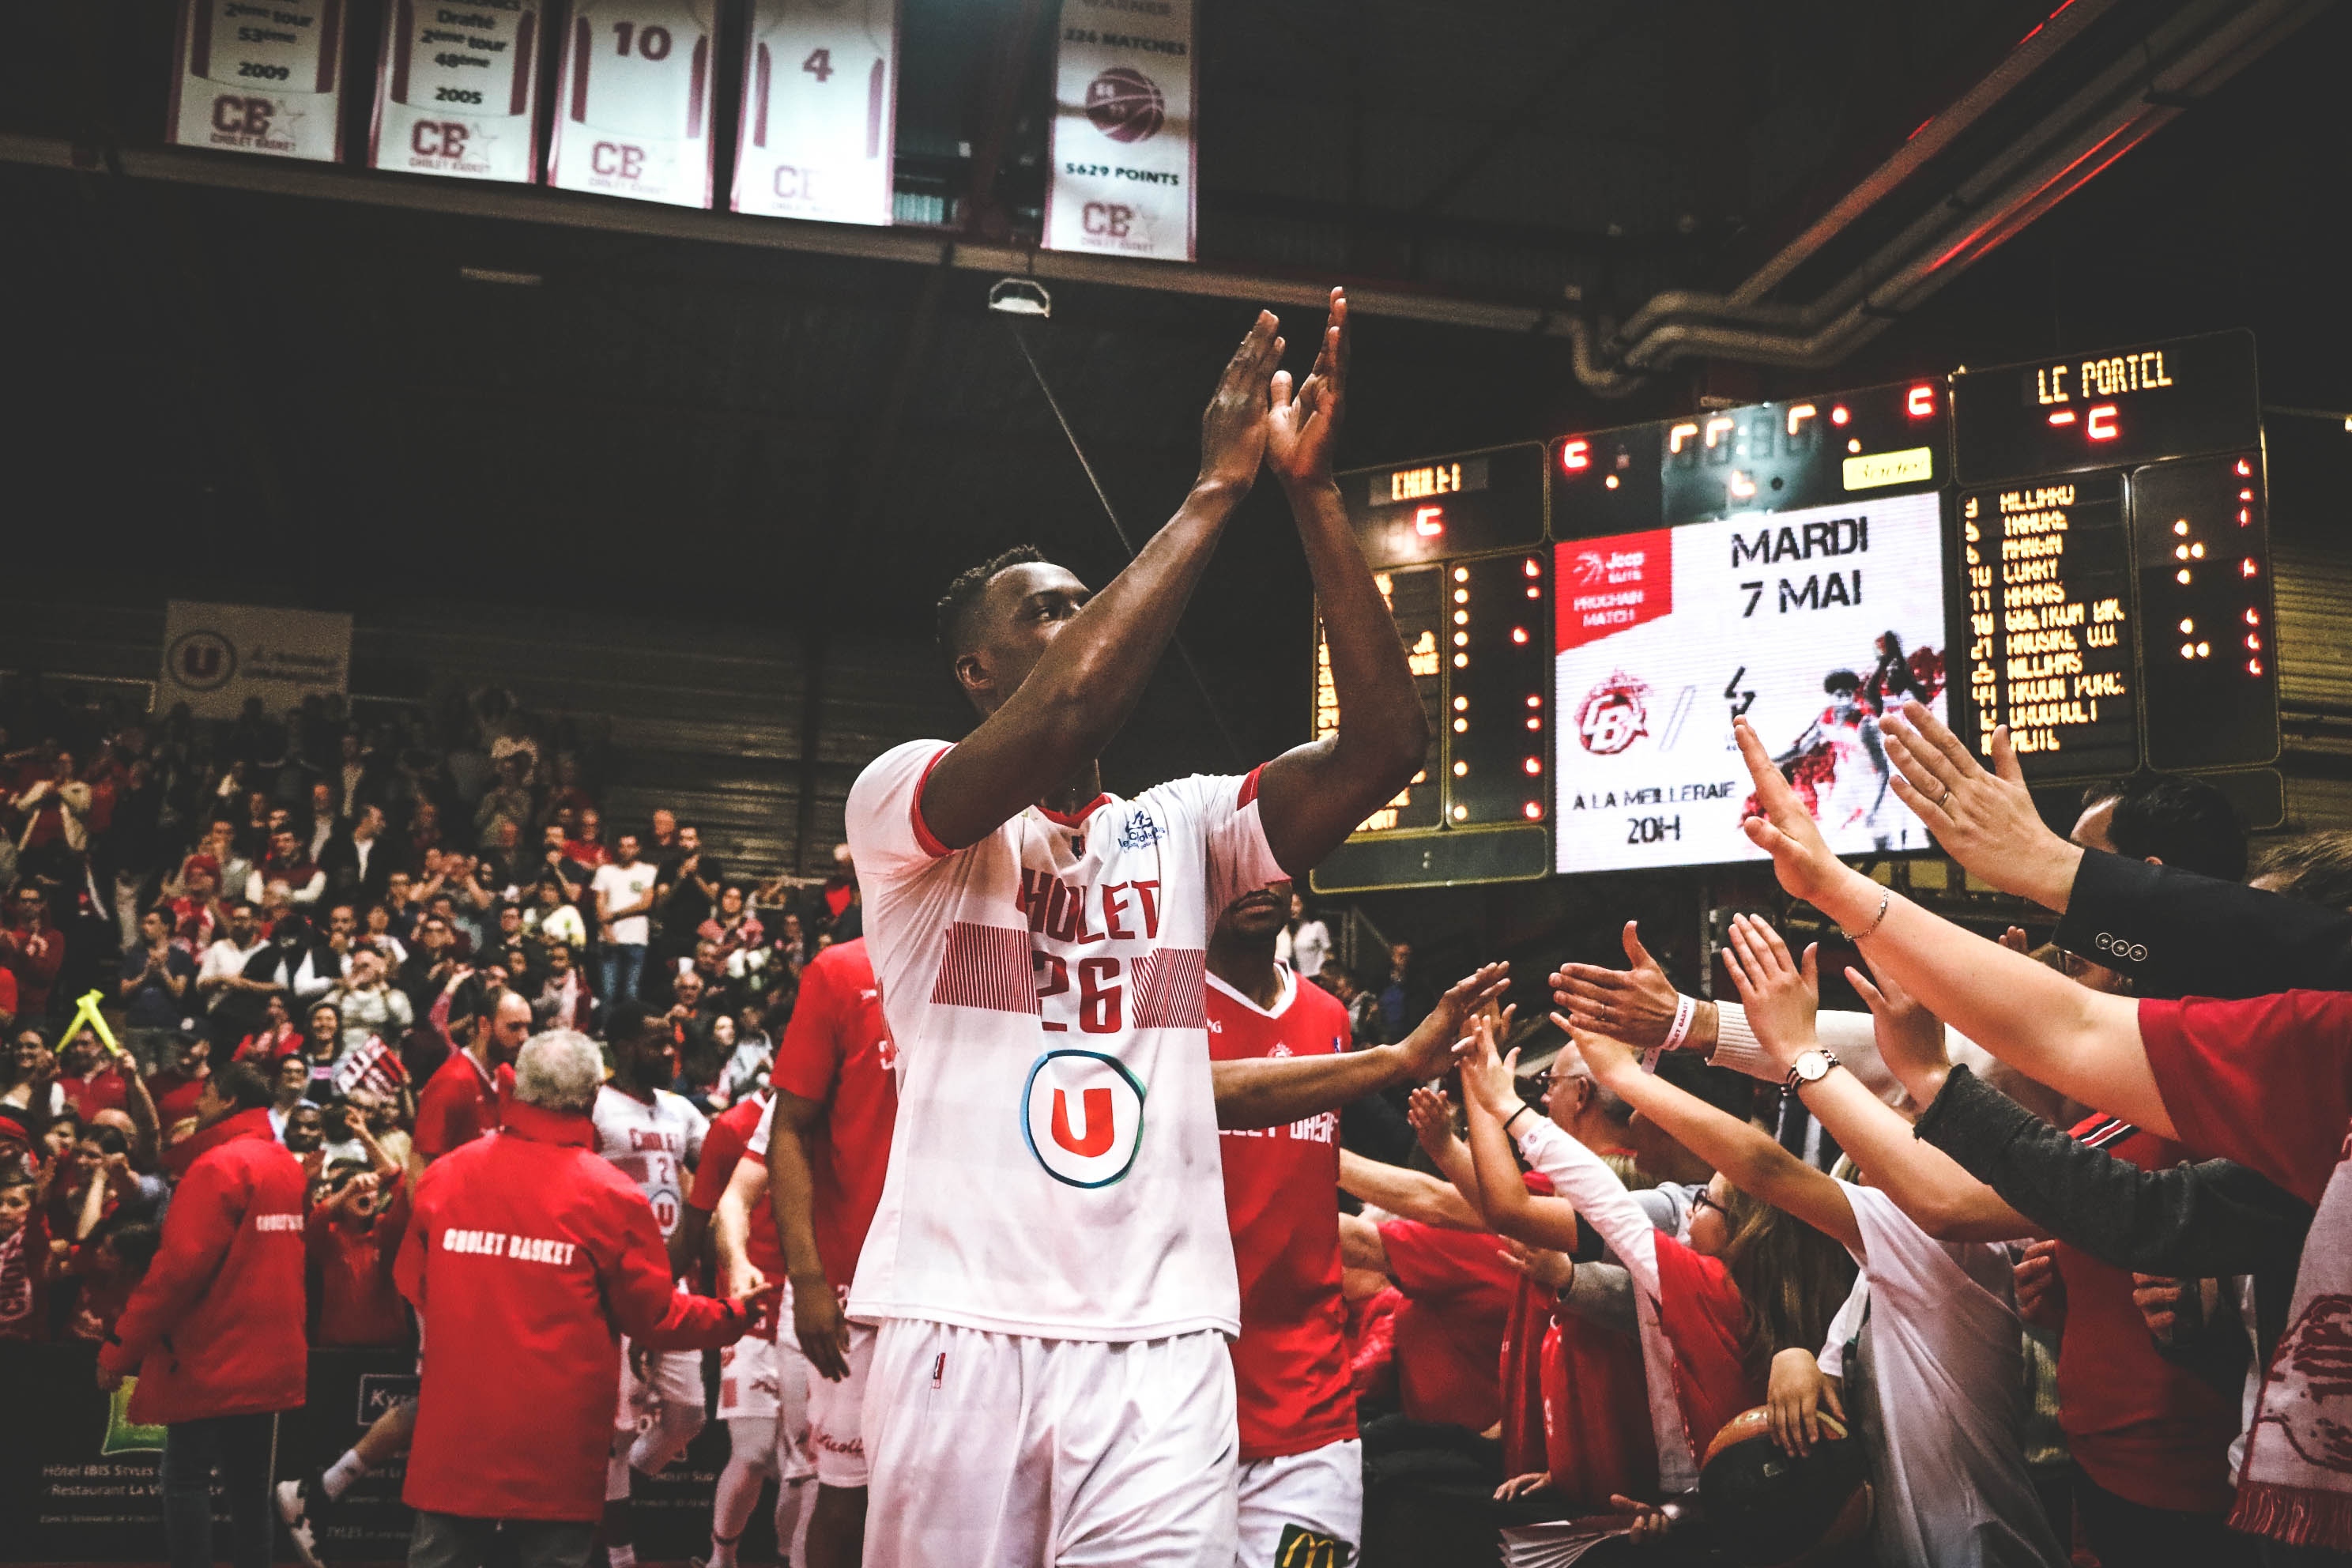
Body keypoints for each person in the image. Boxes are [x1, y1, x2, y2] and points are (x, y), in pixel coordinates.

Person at [840, 295, 1430, 1568]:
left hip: (1165, 1339)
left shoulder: (1182, 827)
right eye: (1047, 610)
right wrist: (1214, 489)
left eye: (1087, 600)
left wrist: (1311, 496)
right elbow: (1068, 715)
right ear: (977, 672)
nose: (1088, 616)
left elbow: (1389, 747)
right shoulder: (904, 802)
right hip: (959, 1318)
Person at [1726, 707, 2352, 1556]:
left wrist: (1832, 1008)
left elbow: (2051, 1054)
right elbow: (2137, 1201)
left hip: (2187, 1488)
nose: (2063, 943)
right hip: (2168, 1479)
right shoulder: (2190, 1088)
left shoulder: (2269, 1059)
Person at [1564, 918, 2069, 1566]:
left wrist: (1634, 1079)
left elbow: (1764, 1169)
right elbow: (1840, 1404)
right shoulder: (1886, 1256)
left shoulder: (1948, 1241)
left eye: (1907, 1102)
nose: (1883, 1108)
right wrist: (1800, 1361)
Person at [391, 1029, 761, 1568]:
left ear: (518, 1088)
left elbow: (413, 1283)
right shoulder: (610, 1196)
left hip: (456, 1433)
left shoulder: (446, 1176)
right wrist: (733, 1316)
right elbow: (654, 1316)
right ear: (592, 1098)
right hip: (556, 1444)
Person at [96, 1061, 306, 1568]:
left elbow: (177, 1271)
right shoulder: (285, 1164)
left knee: (185, 1477)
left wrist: (120, 1349)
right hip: (270, 1352)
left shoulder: (217, 1167)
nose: (197, 1103)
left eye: (207, 1095)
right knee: (250, 1487)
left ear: (229, 1100)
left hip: (210, 1353)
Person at [591, 1002, 713, 1568]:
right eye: (656, 1041)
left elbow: (718, 1169)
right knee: (616, 1430)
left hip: (674, 1283)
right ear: (621, 1046)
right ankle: (620, 1553)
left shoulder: (681, 1110)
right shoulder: (594, 1105)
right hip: (613, 1284)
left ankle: (613, 1490)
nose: (669, 1051)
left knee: (688, 1416)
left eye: (672, 1041)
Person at [411, 988, 530, 1162]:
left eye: (527, 1027)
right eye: (514, 1027)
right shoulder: (451, 1083)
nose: (524, 1037)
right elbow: (421, 1163)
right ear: (484, 1025)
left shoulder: (507, 1076)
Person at [119, 906, 198, 1068]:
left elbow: (178, 992)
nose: (144, 927)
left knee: (168, 1075)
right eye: (144, 923)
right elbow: (123, 991)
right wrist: (145, 975)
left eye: (151, 923)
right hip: (138, 1025)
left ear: (165, 927)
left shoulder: (180, 957)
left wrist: (163, 971)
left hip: (168, 1026)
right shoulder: (135, 956)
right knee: (134, 1074)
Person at [594, 833, 660, 1004]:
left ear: (638, 849)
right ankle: (606, 1029)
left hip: (636, 939)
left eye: (630, 846)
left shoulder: (648, 871)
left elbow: (646, 903)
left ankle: (629, 1030)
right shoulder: (605, 871)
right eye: (622, 846)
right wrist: (607, 931)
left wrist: (615, 915)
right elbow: (600, 904)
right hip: (609, 939)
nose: (625, 850)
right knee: (608, 993)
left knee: (631, 992)